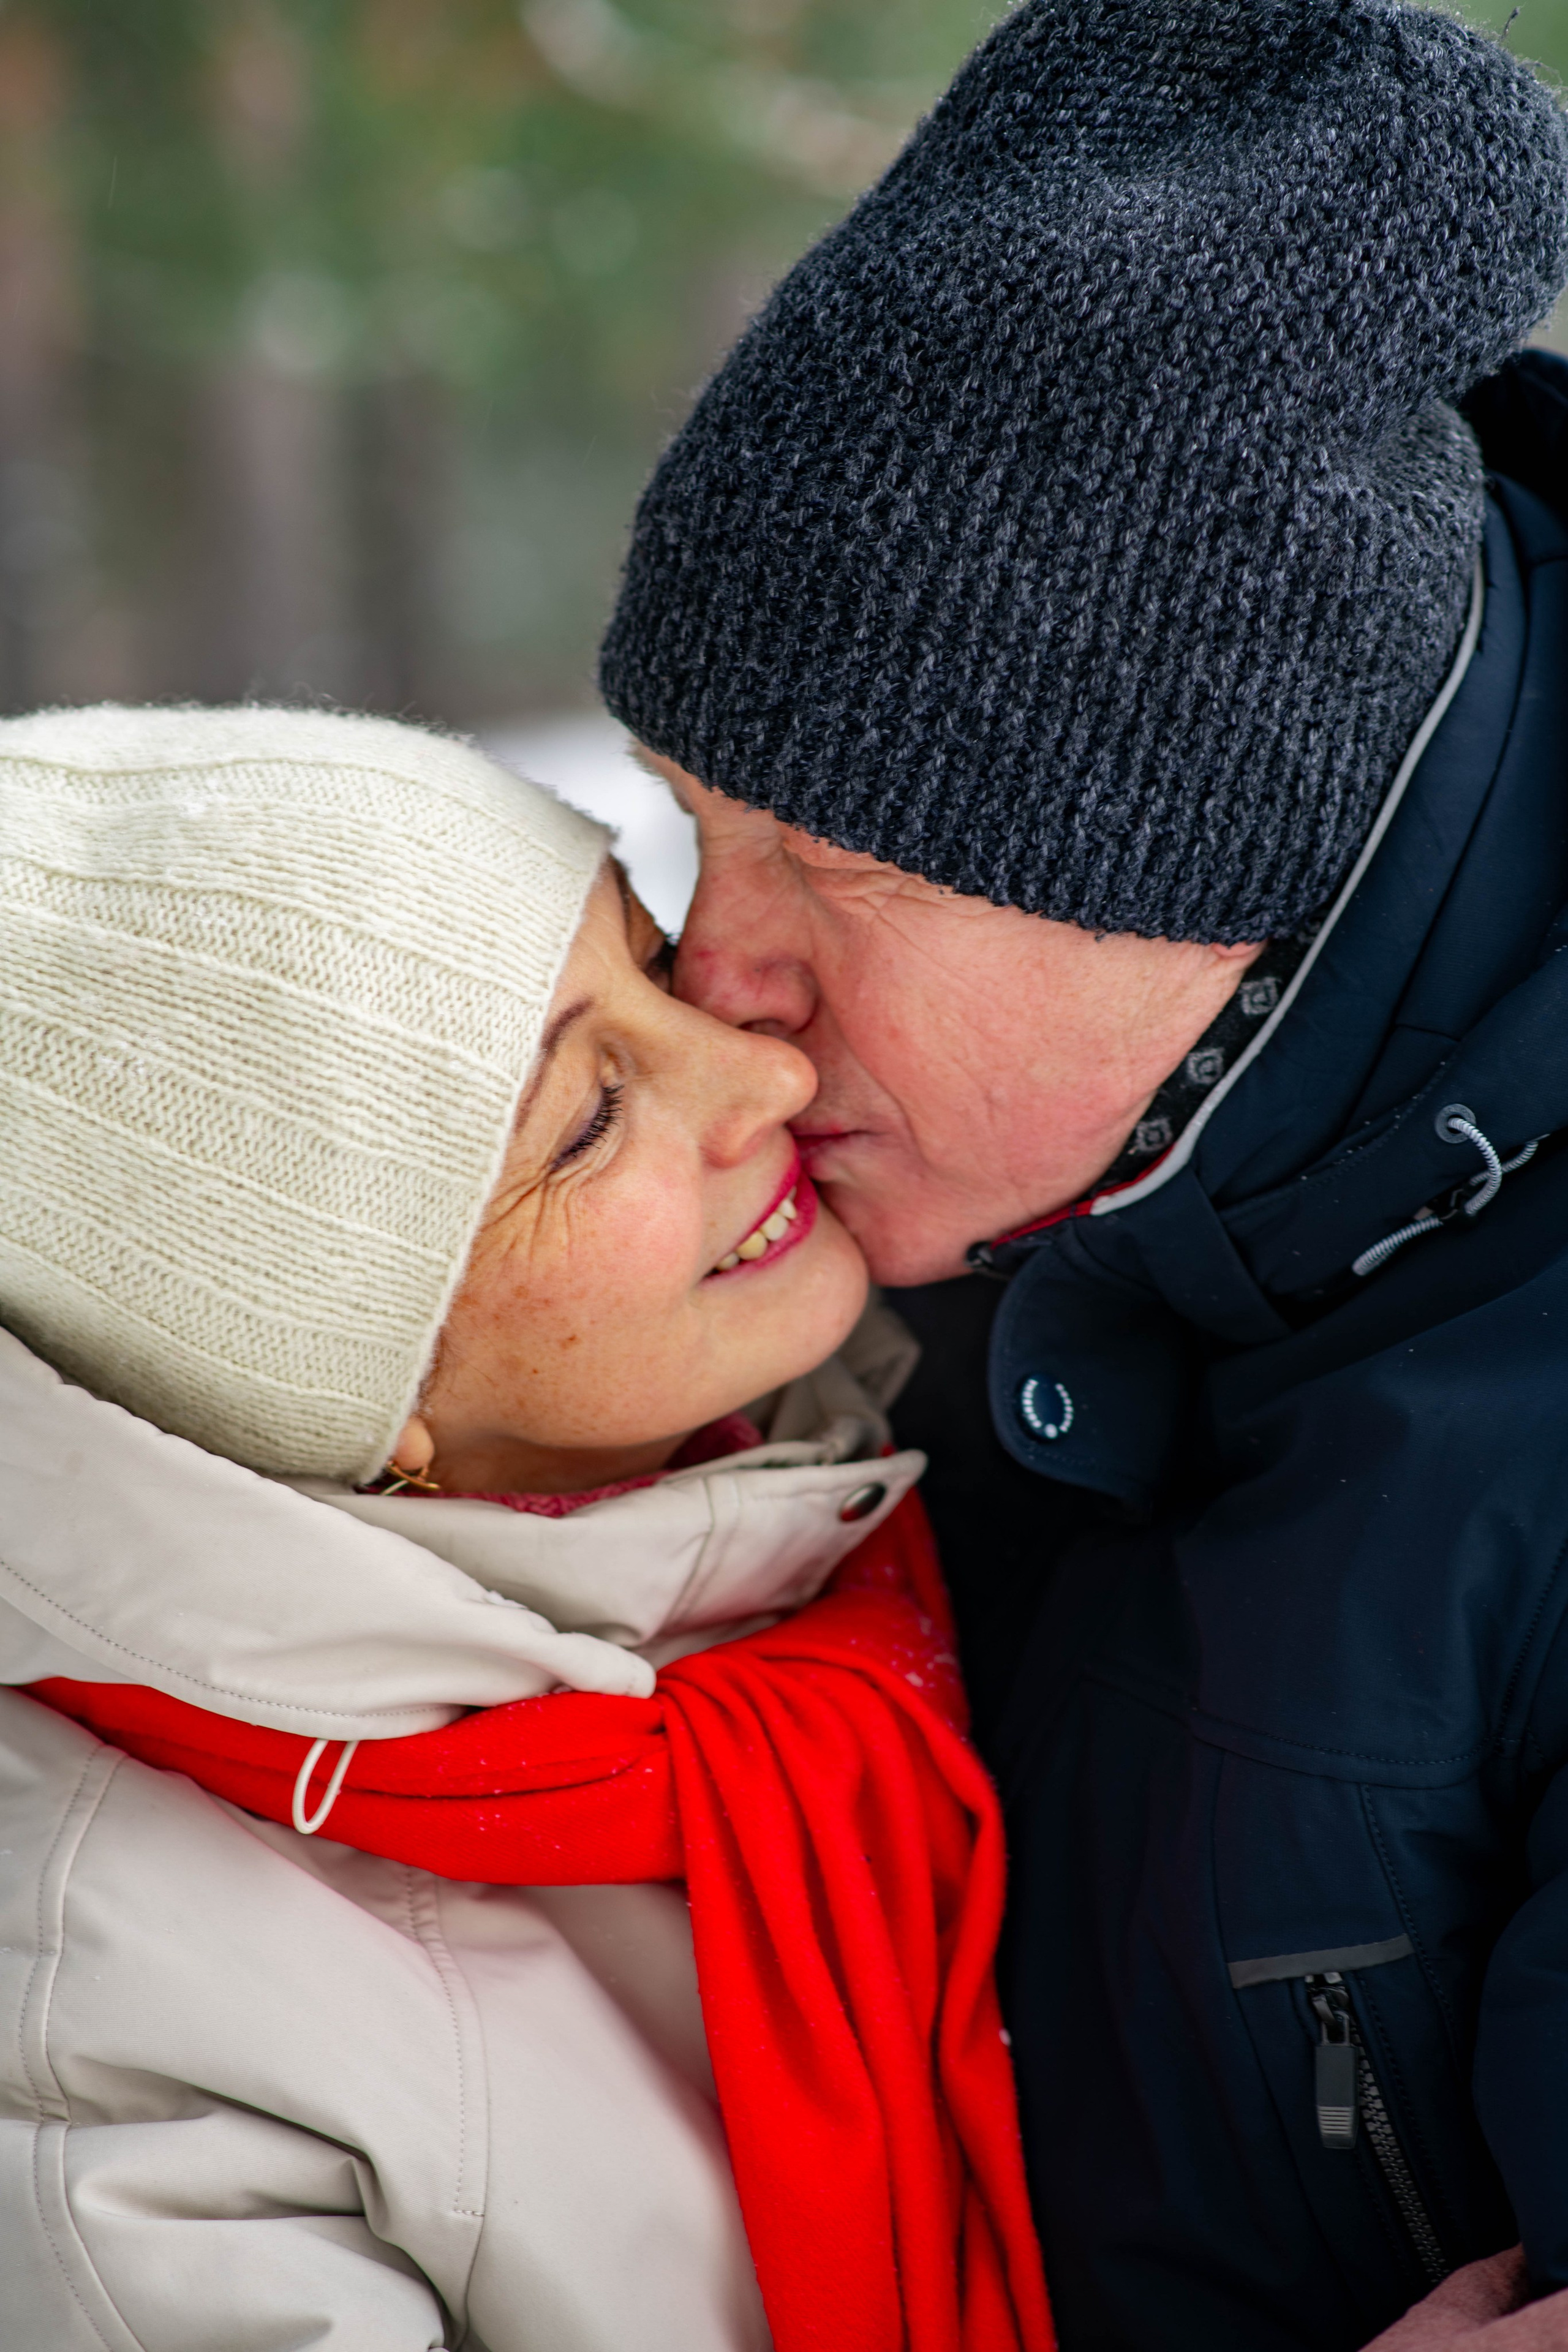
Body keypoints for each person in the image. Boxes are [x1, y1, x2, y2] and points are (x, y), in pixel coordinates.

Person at [595, 1, 1568, 2346]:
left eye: (833, 864)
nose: (712, 980)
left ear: (1216, 865)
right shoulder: (918, 1218)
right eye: (688, 822)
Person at [0, 704, 1051, 2352]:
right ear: (354, 1382)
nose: (766, 1069)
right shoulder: (108, 2066)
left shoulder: (900, 1463)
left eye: (650, 955)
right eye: (588, 1116)